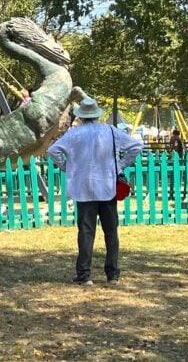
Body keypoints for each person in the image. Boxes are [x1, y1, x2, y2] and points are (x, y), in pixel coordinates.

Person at [47, 97, 143, 286]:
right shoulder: (110, 131)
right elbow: (136, 146)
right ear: (97, 114)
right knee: (111, 232)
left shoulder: (74, 134)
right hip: (107, 186)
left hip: (83, 188)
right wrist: (120, 165)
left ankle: (84, 275)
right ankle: (113, 274)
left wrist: (67, 166)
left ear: (81, 116)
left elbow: (53, 151)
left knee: (85, 232)